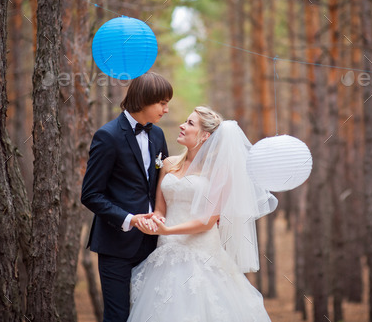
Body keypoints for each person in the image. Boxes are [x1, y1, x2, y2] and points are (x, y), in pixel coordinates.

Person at [127, 106, 277, 322]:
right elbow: (161, 208)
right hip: (165, 251)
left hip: (201, 253)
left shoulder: (219, 171)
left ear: (205, 135)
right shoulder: (168, 164)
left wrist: (168, 229)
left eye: (189, 123)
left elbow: (208, 221)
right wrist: (156, 220)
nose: (181, 125)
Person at [81, 72, 172, 322]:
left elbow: (166, 185)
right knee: (118, 316)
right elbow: (90, 194)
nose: (166, 109)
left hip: (154, 243)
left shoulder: (158, 135)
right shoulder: (107, 136)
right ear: (143, 100)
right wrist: (130, 219)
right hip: (116, 246)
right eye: (162, 103)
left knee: (151, 313)